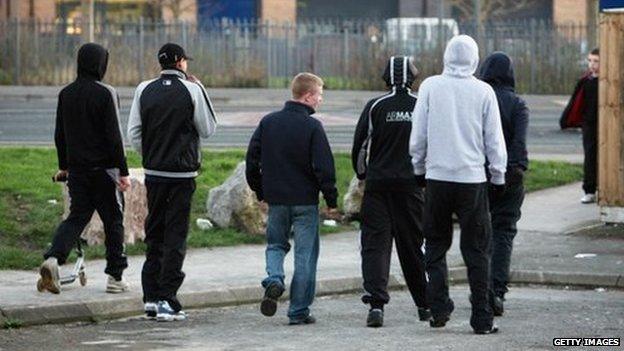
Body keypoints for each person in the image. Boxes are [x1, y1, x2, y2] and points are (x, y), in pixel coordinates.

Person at [409, 35, 507, 334]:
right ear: (475, 59)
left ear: (446, 56)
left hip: (437, 178)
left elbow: (419, 132)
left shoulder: (430, 87)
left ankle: (438, 308)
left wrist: (418, 167)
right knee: (477, 251)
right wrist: (498, 175)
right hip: (472, 180)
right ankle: (481, 317)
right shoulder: (484, 91)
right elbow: (494, 138)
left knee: (435, 247)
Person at [127, 43, 217, 322]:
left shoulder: (143, 89)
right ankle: (168, 298)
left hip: (154, 174)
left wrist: (153, 156)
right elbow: (208, 128)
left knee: (154, 233)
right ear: (179, 62)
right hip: (182, 174)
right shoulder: (192, 89)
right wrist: (202, 90)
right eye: (185, 60)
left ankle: (151, 298)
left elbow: (134, 132)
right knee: (175, 237)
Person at [245, 72, 339, 325]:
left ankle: (274, 279)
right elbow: (324, 167)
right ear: (308, 96)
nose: (320, 100)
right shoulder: (312, 127)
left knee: (276, 245)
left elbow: (252, 161)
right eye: (319, 95)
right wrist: (331, 199)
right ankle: (298, 311)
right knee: (305, 256)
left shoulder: (269, 122)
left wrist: (260, 191)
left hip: (277, 200)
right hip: (305, 202)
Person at [39, 43, 131, 295]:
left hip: (77, 171)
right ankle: (115, 276)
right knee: (114, 220)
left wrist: (64, 167)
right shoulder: (106, 93)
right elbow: (115, 136)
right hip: (104, 171)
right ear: (101, 64)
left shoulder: (65, 93)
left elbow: (60, 134)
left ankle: (53, 259)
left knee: (77, 217)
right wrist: (123, 172)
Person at [351, 56, 430, 328]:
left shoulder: (376, 106)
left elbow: (360, 148)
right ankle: (424, 305)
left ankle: (376, 306)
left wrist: (364, 175)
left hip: (378, 187)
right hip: (411, 188)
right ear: (413, 77)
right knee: (413, 248)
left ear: (386, 77)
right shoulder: (422, 104)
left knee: (376, 247)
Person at [479, 52, 529, 316]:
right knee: (504, 232)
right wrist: (517, 167)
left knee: (479, 233)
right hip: (511, 175)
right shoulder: (517, 104)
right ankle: (497, 291)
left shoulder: (479, 98)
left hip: (480, 174)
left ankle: (481, 289)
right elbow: (519, 142)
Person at [559, 48, 599, 204]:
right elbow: (575, 102)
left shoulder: (608, 82)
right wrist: (566, 120)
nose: (592, 65)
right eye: (590, 61)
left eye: (596, 61)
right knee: (590, 157)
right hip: (589, 124)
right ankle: (589, 190)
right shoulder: (585, 81)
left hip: (605, 124)